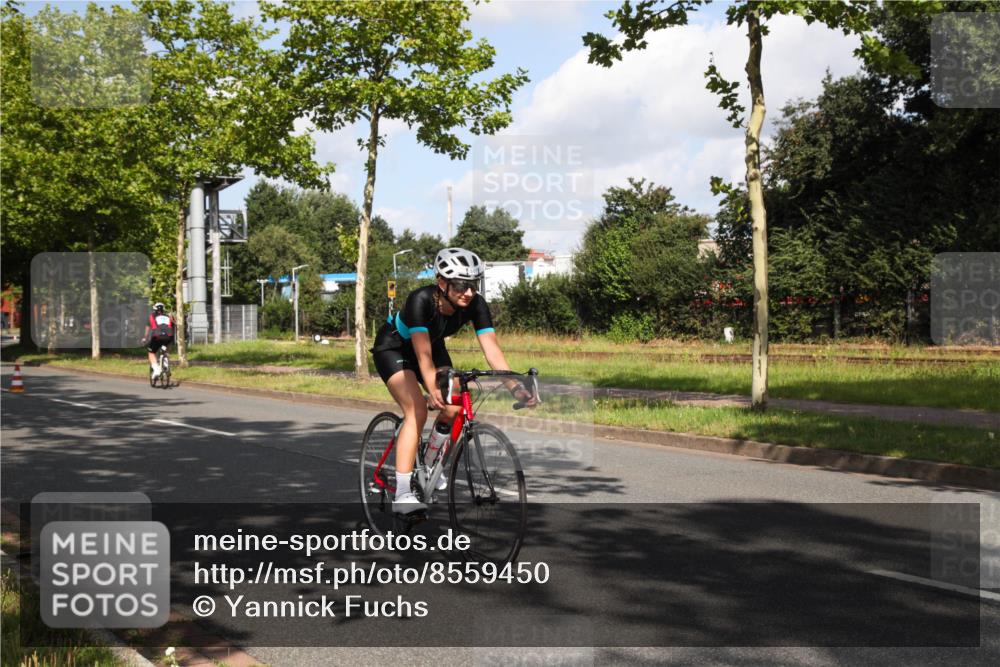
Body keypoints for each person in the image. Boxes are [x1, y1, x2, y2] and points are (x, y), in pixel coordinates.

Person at [371, 247, 536, 513]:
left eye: (473, 284)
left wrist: (515, 387)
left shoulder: (476, 304)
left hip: (431, 345)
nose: (468, 292)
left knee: (455, 401)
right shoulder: (420, 300)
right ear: (441, 283)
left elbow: (492, 351)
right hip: (395, 348)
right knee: (417, 409)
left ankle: (429, 459)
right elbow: (422, 355)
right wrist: (433, 387)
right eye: (461, 285)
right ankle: (402, 493)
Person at [143, 303, 175, 379]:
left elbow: (147, 329)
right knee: (166, 351)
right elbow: (173, 325)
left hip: (157, 337)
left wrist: (145, 338)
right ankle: (166, 365)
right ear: (163, 309)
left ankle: (156, 370)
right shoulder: (168, 316)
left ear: (154, 309)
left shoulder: (151, 316)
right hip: (169, 337)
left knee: (151, 352)